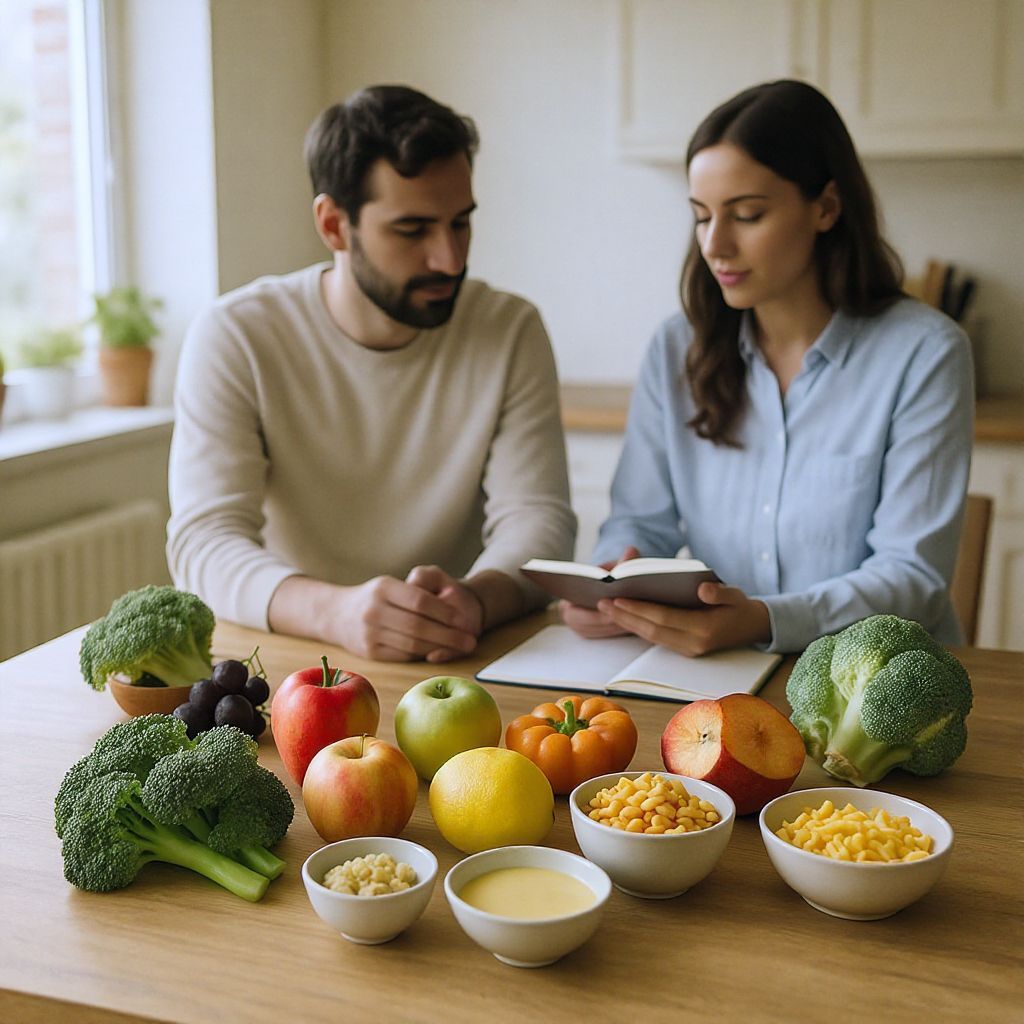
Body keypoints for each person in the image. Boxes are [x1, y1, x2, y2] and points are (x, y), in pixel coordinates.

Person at [167, 85, 575, 662]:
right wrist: (334, 612)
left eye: (460, 223)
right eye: (412, 230)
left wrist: (477, 601)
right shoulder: (237, 335)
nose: (449, 259)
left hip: (458, 654)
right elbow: (204, 541)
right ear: (334, 225)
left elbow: (539, 520)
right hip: (293, 656)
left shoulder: (509, 329)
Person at [564, 79, 973, 656]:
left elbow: (913, 578)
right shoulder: (676, 348)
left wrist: (764, 620)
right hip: (715, 673)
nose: (715, 245)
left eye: (747, 215)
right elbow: (640, 522)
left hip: (874, 682)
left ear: (826, 207)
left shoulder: (925, 352)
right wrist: (612, 581)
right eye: (701, 216)